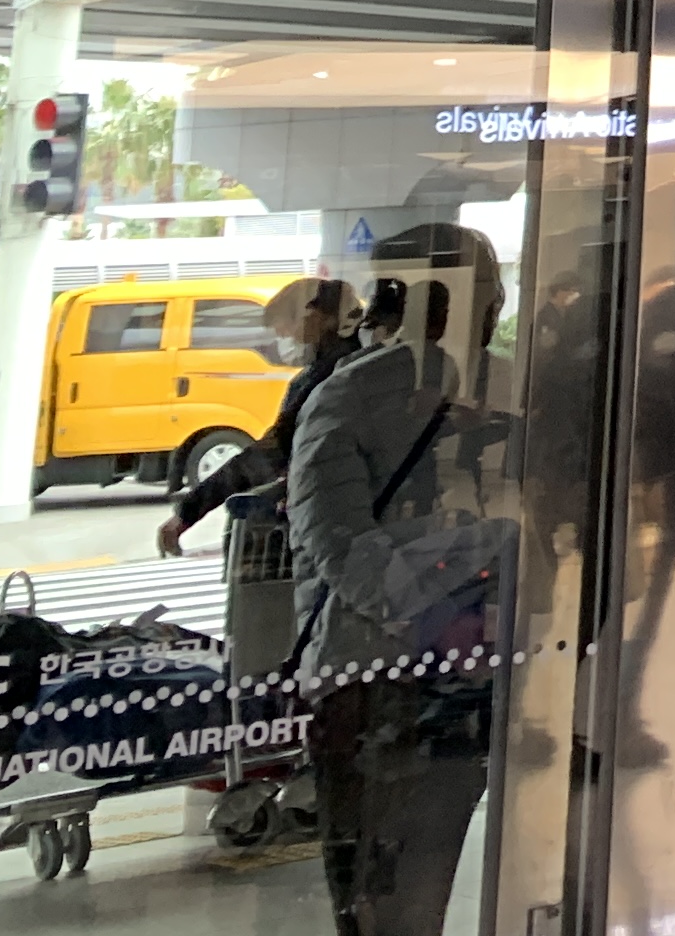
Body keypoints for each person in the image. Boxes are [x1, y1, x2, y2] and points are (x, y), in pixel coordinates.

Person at [290, 222, 509, 936]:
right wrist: (460, 607)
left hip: (429, 681)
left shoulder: (510, 388)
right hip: (386, 683)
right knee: (394, 898)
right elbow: (345, 549)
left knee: (396, 899)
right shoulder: (353, 395)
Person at [160, 275, 354, 558]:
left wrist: (188, 512)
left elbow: (270, 453)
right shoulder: (343, 365)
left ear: (319, 318)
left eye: (289, 332)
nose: (287, 342)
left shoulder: (328, 376)